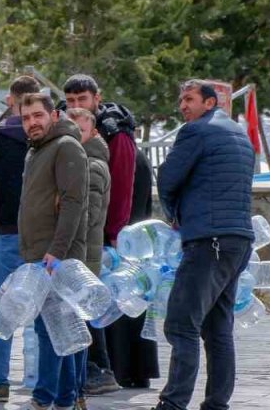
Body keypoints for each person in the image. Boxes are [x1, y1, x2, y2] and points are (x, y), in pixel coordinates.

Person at [152, 80, 255, 410]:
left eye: (189, 99)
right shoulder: (240, 135)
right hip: (238, 241)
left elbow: (167, 178)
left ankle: (173, 403)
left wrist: (173, 214)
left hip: (207, 241)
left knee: (181, 324)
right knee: (217, 329)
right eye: (180, 99)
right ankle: (216, 404)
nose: (183, 106)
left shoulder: (196, 132)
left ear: (210, 103)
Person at [63, 74, 137, 395]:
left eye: (83, 99)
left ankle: (100, 369)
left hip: (102, 234)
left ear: (97, 97)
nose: (77, 106)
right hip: (76, 234)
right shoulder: (64, 128)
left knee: (93, 303)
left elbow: (120, 187)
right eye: (71, 101)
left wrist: (114, 232)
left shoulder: (113, 131)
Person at [17, 93, 88, 410]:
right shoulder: (36, 151)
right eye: (26, 118)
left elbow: (74, 203)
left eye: (37, 116)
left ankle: (43, 398)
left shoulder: (66, 147)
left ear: (53, 116)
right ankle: (65, 398)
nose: (32, 122)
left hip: (56, 257)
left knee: (50, 331)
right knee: (57, 331)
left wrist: (56, 251)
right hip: (39, 253)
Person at [0, 75, 41, 402]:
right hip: (42, 235)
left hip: (8, 231)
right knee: (41, 307)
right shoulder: (48, 134)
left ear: (12, 100)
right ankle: (39, 378)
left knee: (3, 308)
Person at [66, 107, 111, 410]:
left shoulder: (92, 166)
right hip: (81, 256)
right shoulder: (80, 162)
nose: (72, 138)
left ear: (92, 132)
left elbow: (87, 216)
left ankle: (76, 387)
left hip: (83, 257)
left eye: (78, 132)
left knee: (77, 327)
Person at [106, 151, 159, 389]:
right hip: (140, 241)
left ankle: (122, 369)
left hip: (121, 240)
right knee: (137, 304)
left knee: (121, 306)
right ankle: (141, 370)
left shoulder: (119, 156)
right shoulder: (138, 156)